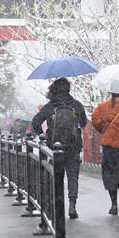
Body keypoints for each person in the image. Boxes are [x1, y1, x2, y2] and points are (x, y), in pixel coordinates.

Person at [31, 77, 87, 219]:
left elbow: (36, 122)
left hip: (55, 148)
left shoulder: (51, 105)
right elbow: (84, 122)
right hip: (73, 147)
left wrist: (43, 135)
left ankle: (58, 205)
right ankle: (72, 204)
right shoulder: (76, 105)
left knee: (56, 176)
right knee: (73, 176)